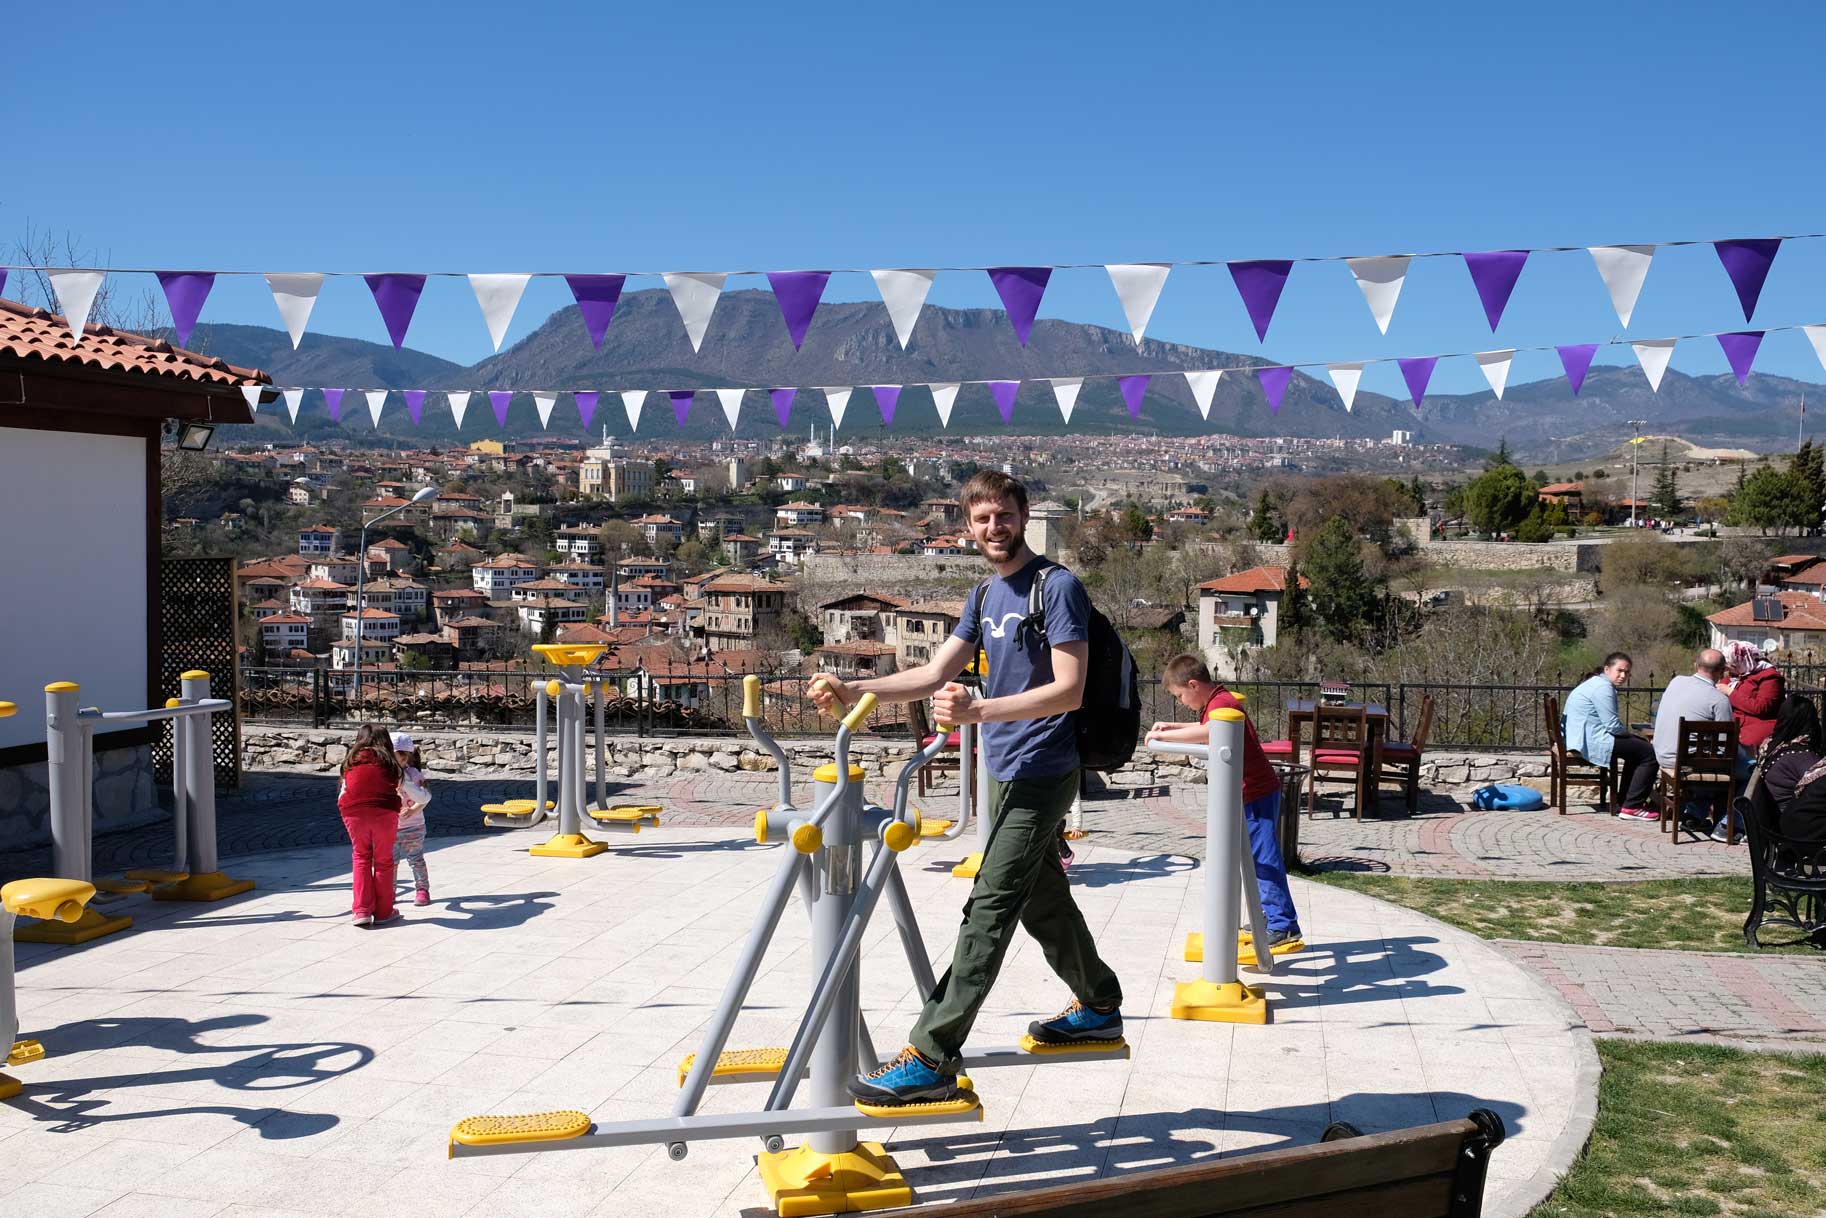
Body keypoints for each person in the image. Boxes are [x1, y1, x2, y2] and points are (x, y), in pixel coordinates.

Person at [809, 470, 1123, 1107]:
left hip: (1044, 769)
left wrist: (982, 712)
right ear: (968, 526)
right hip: (1004, 772)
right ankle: (1098, 1002)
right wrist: (855, 691)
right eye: (981, 519)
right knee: (1041, 901)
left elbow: (1070, 689)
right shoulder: (984, 596)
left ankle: (931, 1053)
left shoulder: (1056, 588)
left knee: (989, 907)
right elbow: (932, 672)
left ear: (1023, 515)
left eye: (1003, 515)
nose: (993, 528)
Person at [1147, 654, 1301, 950]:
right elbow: (1207, 728)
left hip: (1255, 793)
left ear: (1193, 685)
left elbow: (1211, 732)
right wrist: (1168, 726)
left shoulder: (1223, 705)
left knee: (1263, 860)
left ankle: (1283, 925)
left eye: (1180, 695)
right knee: (1253, 859)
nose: (1181, 702)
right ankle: (1267, 918)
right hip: (1248, 793)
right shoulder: (1216, 701)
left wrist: (1171, 732)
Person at [1562, 652, 1657, 820]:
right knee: (1650, 753)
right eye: (1619, 670)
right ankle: (1632, 806)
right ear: (1607, 669)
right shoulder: (1603, 688)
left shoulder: (1596, 683)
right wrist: (1631, 735)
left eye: (1627, 672)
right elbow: (1612, 726)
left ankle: (1625, 801)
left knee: (1639, 750)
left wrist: (1632, 738)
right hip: (1591, 740)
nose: (1623, 676)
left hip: (1581, 736)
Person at [1652, 649, 1735, 838]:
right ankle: (1727, 826)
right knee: (1745, 771)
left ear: (1696, 666)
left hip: (1663, 755)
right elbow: (1725, 744)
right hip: (1688, 765)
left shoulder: (1676, 682)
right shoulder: (1719, 700)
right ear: (1722, 672)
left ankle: (1694, 815)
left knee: (1711, 762)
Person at [338, 724, 402, 927]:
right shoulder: (390, 763)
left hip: (353, 812)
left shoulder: (350, 761)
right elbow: (399, 786)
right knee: (383, 860)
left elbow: (345, 788)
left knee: (361, 856)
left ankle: (361, 910)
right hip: (385, 811)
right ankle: (384, 912)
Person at [1721, 642, 1785, 761]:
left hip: (1754, 736)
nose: (1727, 668)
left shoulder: (1769, 677)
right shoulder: (1737, 675)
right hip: (1734, 730)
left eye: (1730, 665)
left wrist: (1731, 693)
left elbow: (1761, 707)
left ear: (1741, 662)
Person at [392, 731, 433, 906]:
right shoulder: (385, 775)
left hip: (413, 826)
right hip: (391, 826)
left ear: (405, 758)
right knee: (390, 862)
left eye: (395, 758)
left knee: (415, 859)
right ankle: (389, 891)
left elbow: (426, 795)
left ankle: (422, 889)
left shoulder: (413, 774)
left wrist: (414, 810)